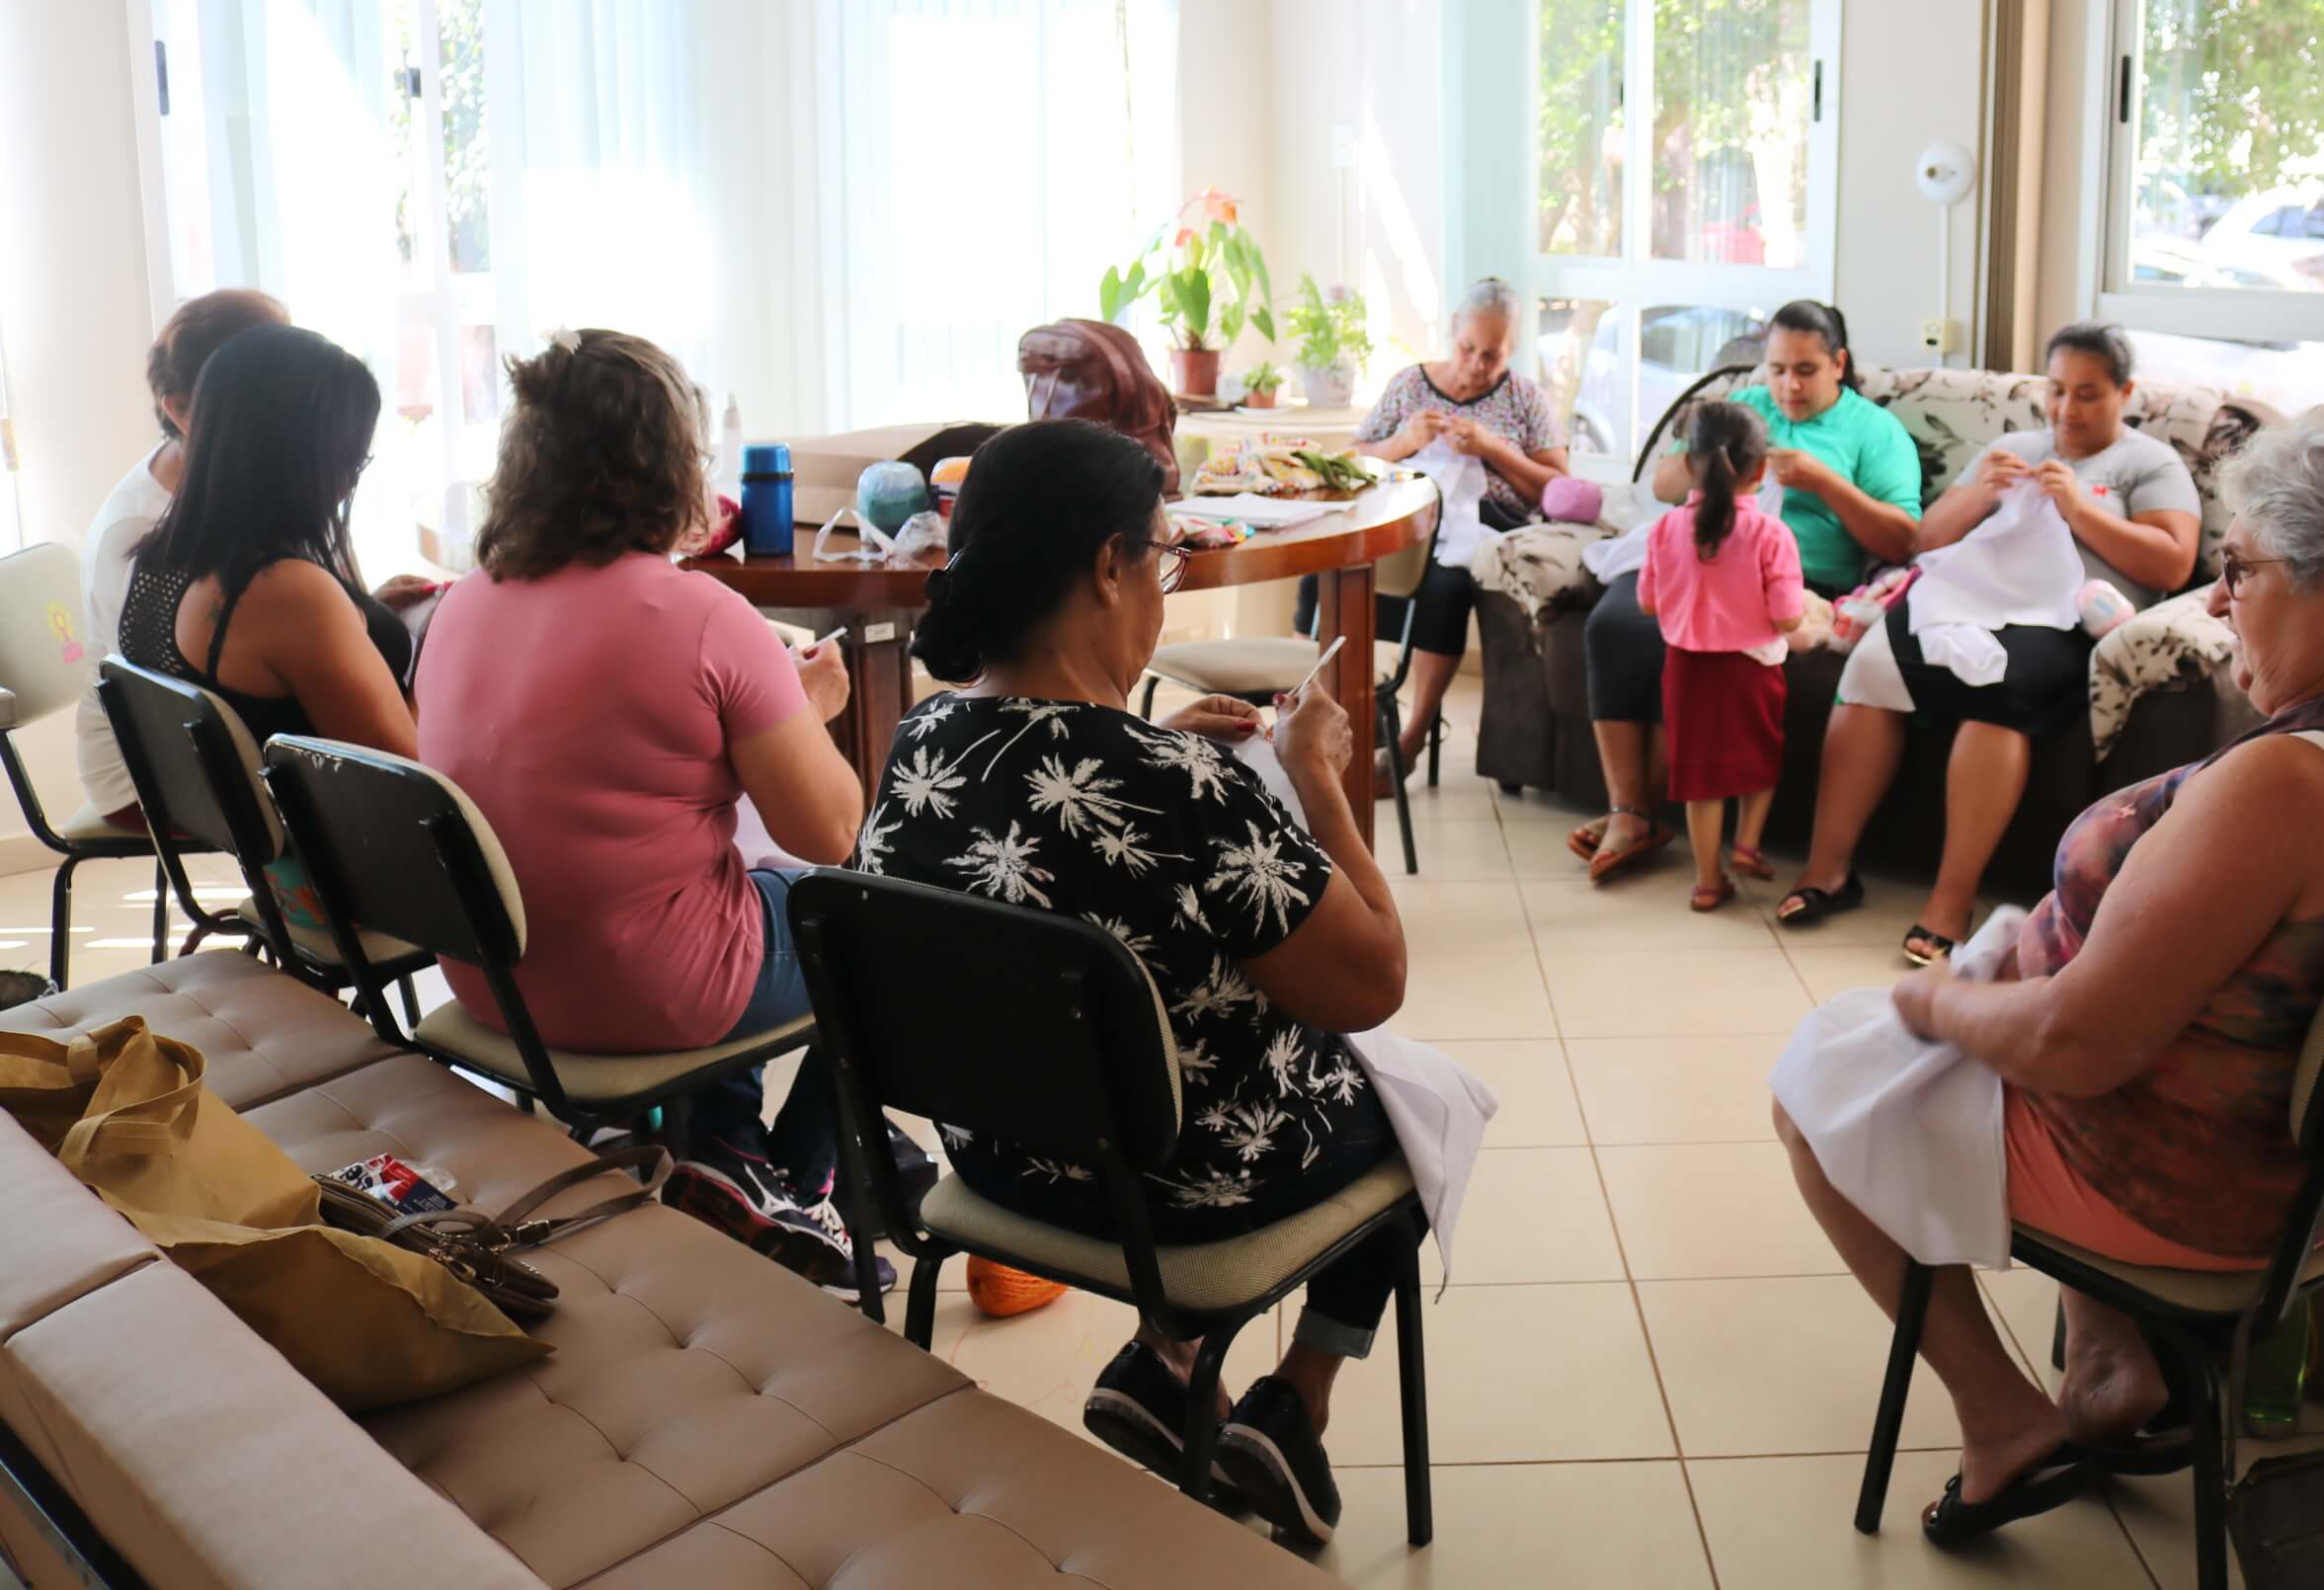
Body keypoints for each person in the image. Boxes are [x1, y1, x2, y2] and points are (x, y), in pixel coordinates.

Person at [1775, 413, 2324, 1545]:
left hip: (2211, 1188)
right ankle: (2111, 1363)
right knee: (2002, 977)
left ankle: (2002, 1420)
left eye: (2241, 569)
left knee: (1820, 1075)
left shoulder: (2297, 783)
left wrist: (1932, 1001)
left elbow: (2074, 1047)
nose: (2216, 601)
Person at [863, 418, 1411, 1550]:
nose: (1164, 592)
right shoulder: (1185, 786)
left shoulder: (919, 742)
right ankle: (1293, 1403)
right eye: (1163, 559)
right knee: (1409, 1103)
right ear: (1110, 564)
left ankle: (1169, 1368)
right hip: (1174, 1190)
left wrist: (1148, 736)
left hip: (997, 1158)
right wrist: (1316, 779)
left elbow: (1054, 813)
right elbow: (1376, 978)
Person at [415, 330, 876, 1293]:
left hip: (496, 982)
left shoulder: (460, 604)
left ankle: (725, 1149)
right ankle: (794, 1187)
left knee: (711, 877)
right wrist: (811, 712)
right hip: (644, 990)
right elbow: (831, 833)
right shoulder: (705, 615)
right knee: (879, 929)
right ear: (671, 465)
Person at [1774, 324, 2202, 961]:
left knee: (1997, 693)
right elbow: (1928, 540)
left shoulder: (2150, 463)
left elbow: (2173, 564)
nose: (2067, 409)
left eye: (2087, 394)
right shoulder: (2012, 448)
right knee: (1872, 669)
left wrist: (2079, 509)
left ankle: (1951, 900)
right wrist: (1981, 493)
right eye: (2057, 390)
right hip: (1971, 599)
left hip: (2067, 619)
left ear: (2124, 393)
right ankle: (1828, 870)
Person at [1574, 299, 1921, 881]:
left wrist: (1826, 483)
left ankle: (1651, 816)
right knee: (1616, 625)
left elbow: (1903, 539)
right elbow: (1663, 485)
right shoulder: (1745, 406)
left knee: (1697, 650)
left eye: (1806, 371)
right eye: (1777, 369)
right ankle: (1628, 808)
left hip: (1793, 576)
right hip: (1701, 557)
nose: (1788, 386)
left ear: (1838, 364)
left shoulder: (1875, 431)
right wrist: (1711, 461)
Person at [116, 326, 419, 942]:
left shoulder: (165, 556)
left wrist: (357, 618)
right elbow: (411, 782)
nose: (349, 479)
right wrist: (448, 655)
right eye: (350, 459)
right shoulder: (287, 592)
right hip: (356, 885)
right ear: (299, 459)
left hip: (281, 872)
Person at [1306, 279, 1569, 778]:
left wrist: (1492, 449)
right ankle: (1327, 720)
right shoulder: (1411, 384)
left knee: (1446, 591)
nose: (1476, 364)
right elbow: (1352, 460)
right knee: (1323, 575)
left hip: (1479, 528)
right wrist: (1403, 442)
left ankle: (1409, 744)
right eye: (1468, 348)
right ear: (1453, 331)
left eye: (1491, 355)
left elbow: (1558, 489)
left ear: (1512, 349)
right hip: (1401, 522)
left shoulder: (1524, 397)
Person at [76, 289, 290, 827]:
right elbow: (165, 694)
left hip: (210, 726)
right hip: (149, 767)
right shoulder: (141, 529)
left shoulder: (230, 475)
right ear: (179, 409)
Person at [1640, 401, 1806, 913]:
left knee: (1700, 780)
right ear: (1761, 469)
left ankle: (1707, 882)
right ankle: (1748, 843)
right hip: (1752, 669)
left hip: (1686, 670)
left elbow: (1647, 603)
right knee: (1761, 755)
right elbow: (1788, 617)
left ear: (1689, 465)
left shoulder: (1665, 529)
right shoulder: (1771, 534)